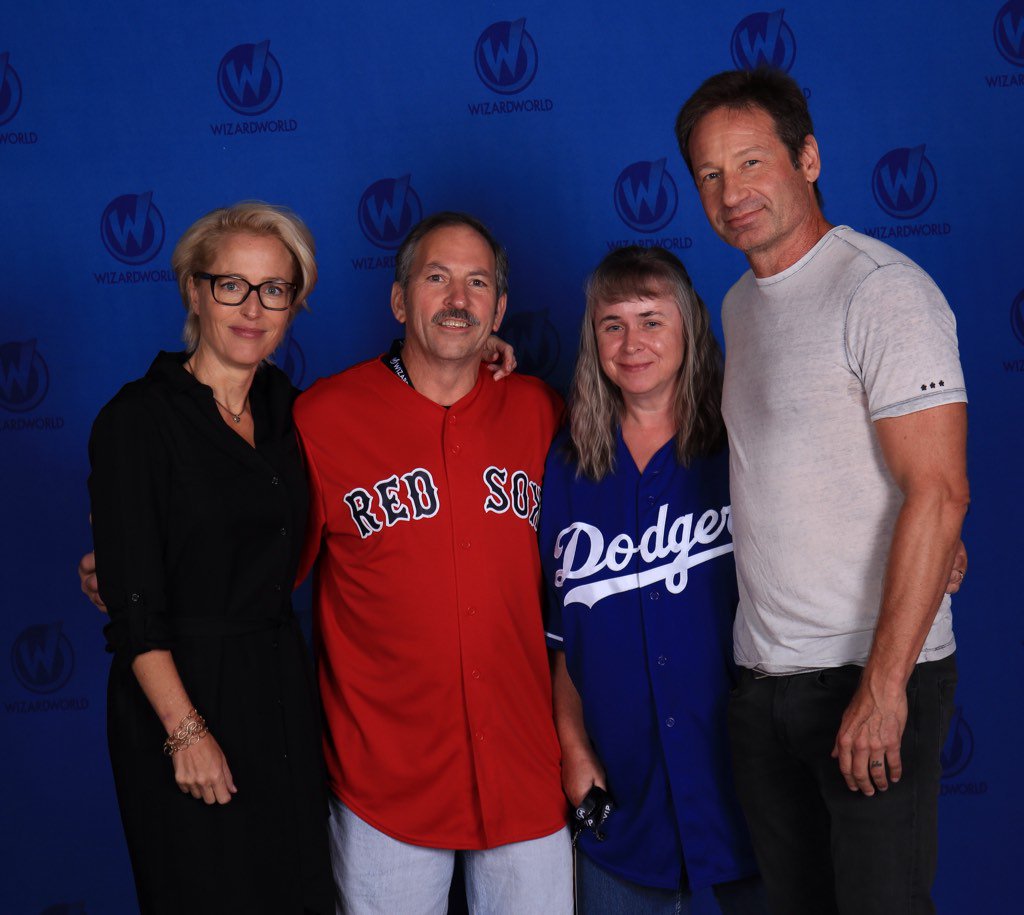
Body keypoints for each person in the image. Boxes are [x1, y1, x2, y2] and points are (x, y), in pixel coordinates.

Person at [674, 68, 970, 914]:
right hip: (766, 682)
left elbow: (940, 490)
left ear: (807, 157)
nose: (732, 192)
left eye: (752, 162)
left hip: (869, 678)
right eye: (709, 174)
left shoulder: (883, 290)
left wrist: (884, 692)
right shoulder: (737, 305)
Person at [291, 211, 572, 914]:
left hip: (522, 769)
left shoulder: (542, 410)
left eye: (478, 283)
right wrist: (141, 559)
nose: (458, 299)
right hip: (384, 779)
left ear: (500, 309)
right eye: (437, 278)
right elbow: (247, 554)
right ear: (397, 299)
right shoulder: (323, 416)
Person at [86, 202, 335, 913]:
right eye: (231, 285)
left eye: (274, 289)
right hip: (181, 694)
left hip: (281, 692)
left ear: (295, 302)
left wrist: (481, 353)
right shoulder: (136, 419)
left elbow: (384, 401)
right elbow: (135, 608)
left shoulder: (292, 409)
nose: (252, 308)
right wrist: (186, 733)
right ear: (194, 290)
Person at [539, 246, 765, 914]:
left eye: (651, 319)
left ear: (689, 326)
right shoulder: (565, 464)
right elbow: (562, 637)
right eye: (613, 323)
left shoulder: (742, 440)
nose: (632, 342)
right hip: (623, 791)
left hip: (748, 779)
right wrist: (574, 749)